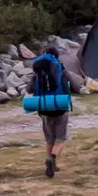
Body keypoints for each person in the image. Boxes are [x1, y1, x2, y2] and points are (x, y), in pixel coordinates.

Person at [31, 49, 79, 179]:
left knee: (49, 138)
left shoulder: (37, 72)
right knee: (61, 138)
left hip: (44, 108)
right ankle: (52, 158)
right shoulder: (60, 69)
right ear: (57, 57)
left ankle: (50, 163)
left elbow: (29, 89)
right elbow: (73, 85)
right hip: (60, 106)